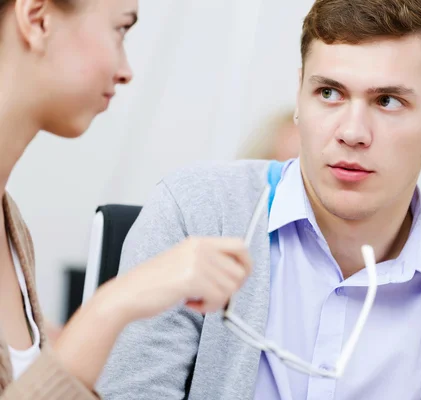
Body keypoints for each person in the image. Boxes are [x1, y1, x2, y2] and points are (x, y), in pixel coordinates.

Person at [99, 0, 421, 399]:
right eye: (329, 93)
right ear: (300, 96)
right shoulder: (196, 212)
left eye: (388, 100)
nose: (352, 132)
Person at [0, 0, 253, 398]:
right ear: (38, 19)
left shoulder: (11, 228)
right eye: (120, 29)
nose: (126, 70)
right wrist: (113, 305)